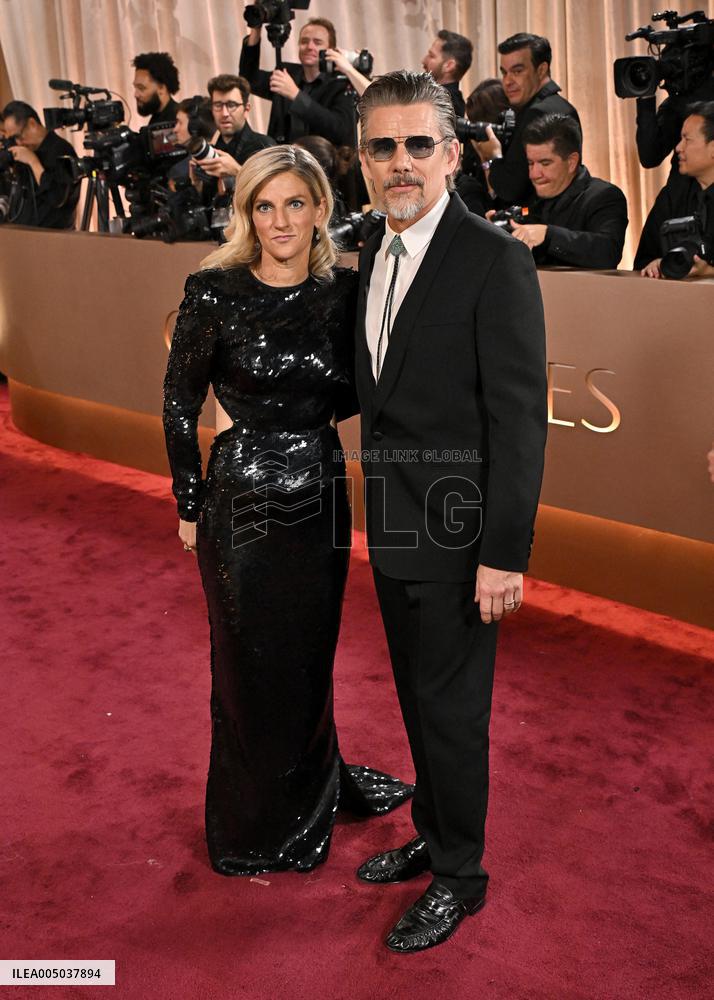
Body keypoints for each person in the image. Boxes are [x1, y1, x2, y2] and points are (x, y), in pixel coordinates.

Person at [163, 145, 412, 877]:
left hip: (321, 493)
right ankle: (253, 823)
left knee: (307, 659)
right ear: (246, 213)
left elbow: (369, 388)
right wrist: (188, 497)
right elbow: (181, 400)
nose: (280, 220)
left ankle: (313, 788)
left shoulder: (347, 293)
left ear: (319, 212)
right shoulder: (213, 291)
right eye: (264, 205)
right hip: (240, 499)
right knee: (246, 663)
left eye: (295, 204)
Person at [354, 70, 548, 953]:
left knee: (454, 711)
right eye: (381, 146)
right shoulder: (369, 250)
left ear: (452, 153)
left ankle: (461, 876)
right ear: (362, 157)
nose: (400, 163)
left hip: (466, 536)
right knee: (417, 700)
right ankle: (432, 837)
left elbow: (516, 419)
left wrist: (504, 553)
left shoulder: (493, 258)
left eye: (417, 144)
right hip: (394, 529)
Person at [507, 112, 628, 269]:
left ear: (571, 162)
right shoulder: (527, 198)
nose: (534, 174)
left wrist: (548, 235)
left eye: (545, 163)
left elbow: (607, 252)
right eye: (530, 163)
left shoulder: (604, 196)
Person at [474, 32, 579, 206]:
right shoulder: (558, 105)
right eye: (504, 73)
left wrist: (492, 154)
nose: (507, 81)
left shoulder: (538, 113)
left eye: (517, 71)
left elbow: (509, 188)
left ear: (541, 70)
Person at [239, 14, 355, 146]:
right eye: (304, 41)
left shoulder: (342, 82)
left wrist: (296, 95)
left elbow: (340, 130)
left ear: (331, 50)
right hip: (285, 159)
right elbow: (249, 80)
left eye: (317, 42)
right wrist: (256, 29)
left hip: (323, 161)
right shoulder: (287, 73)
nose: (310, 46)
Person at [636, 101, 714, 277]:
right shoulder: (673, 194)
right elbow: (642, 261)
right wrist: (656, 266)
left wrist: (709, 273)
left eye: (687, 140)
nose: (678, 148)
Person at [1, 100, 79, 228]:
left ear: (32, 124)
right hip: (22, 235)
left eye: (18, 136)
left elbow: (56, 198)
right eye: (13, 139)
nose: (18, 143)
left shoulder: (61, 150)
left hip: (53, 238)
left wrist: (33, 162)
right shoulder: (25, 149)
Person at [194, 73, 275, 185]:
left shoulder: (264, 147)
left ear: (246, 109)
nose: (224, 113)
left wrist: (237, 171)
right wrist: (197, 184)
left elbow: (274, 192)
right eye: (218, 105)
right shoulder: (212, 150)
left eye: (231, 105)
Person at [456, 77, 509, 216]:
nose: (474, 129)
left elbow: (497, 201)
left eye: (477, 123)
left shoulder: (515, 157)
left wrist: (490, 159)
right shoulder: (472, 146)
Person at [421, 29, 474, 117]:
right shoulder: (447, 99)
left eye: (431, 56)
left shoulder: (444, 104)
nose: (423, 61)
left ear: (449, 66)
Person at [132, 51, 180, 124]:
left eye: (141, 88)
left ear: (162, 88)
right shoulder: (156, 119)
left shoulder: (177, 121)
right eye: (135, 87)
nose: (135, 94)